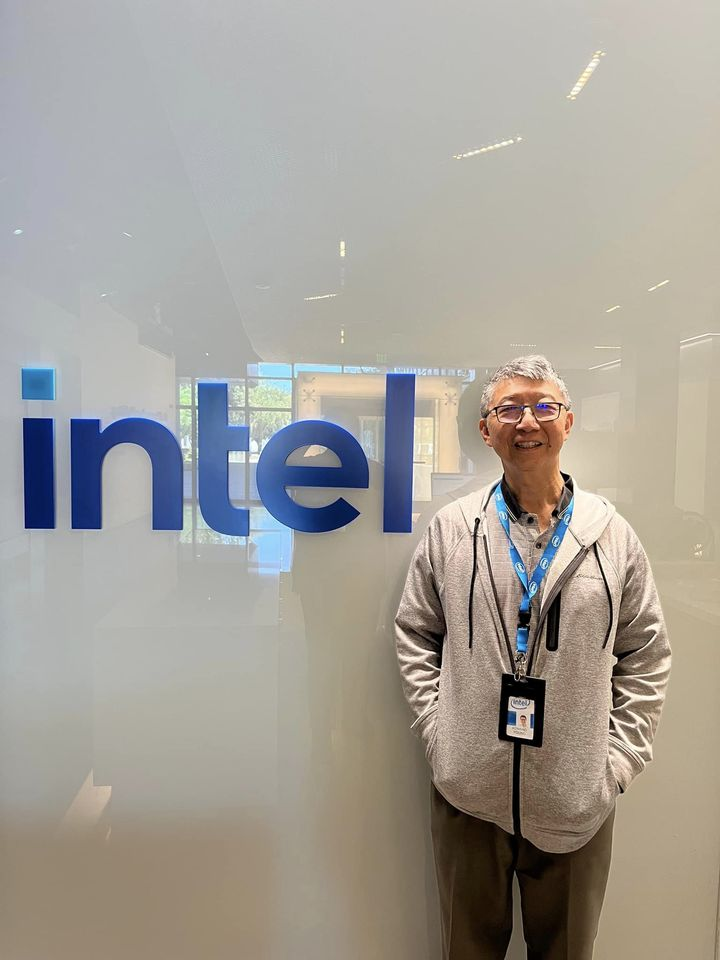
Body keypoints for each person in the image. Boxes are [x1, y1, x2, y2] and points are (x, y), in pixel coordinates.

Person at [395, 355, 671, 960]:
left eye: (544, 406)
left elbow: (646, 652)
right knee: (467, 950)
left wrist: (615, 764)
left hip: (576, 799)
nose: (528, 422)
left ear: (568, 422)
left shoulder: (613, 537)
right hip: (469, 795)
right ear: (485, 430)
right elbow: (416, 631)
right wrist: (442, 735)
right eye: (509, 409)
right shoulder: (452, 529)